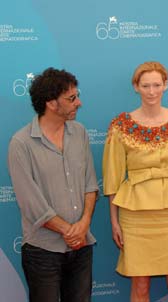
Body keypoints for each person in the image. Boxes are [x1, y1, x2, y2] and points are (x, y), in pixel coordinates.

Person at [102, 61, 168, 302]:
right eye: (146, 85)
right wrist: (114, 221)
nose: (152, 91)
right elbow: (112, 178)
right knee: (140, 287)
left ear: (166, 85)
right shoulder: (121, 126)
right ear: (136, 87)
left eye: (157, 85)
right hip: (135, 216)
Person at [7, 67, 99, 302]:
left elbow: (90, 184)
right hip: (42, 251)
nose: (79, 103)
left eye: (77, 96)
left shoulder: (79, 133)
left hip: (81, 247)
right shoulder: (21, 143)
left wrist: (83, 225)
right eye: (71, 98)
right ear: (50, 103)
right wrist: (69, 231)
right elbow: (31, 204)